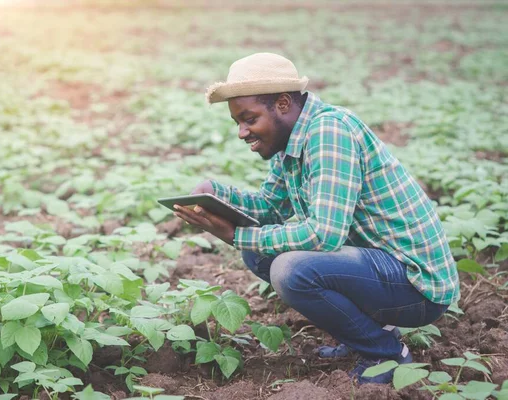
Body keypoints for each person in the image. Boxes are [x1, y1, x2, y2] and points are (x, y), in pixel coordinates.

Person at [172, 53, 460, 384]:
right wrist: (217, 196)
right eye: (237, 122)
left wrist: (236, 235)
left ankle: (385, 352)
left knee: (290, 269)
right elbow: (270, 206)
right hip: (380, 270)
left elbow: (324, 236)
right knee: (260, 251)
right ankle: (371, 331)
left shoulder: (328, 132)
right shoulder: (292, 138)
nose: (242, 132)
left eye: (249, 118)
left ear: (282, 104)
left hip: (416, 286)